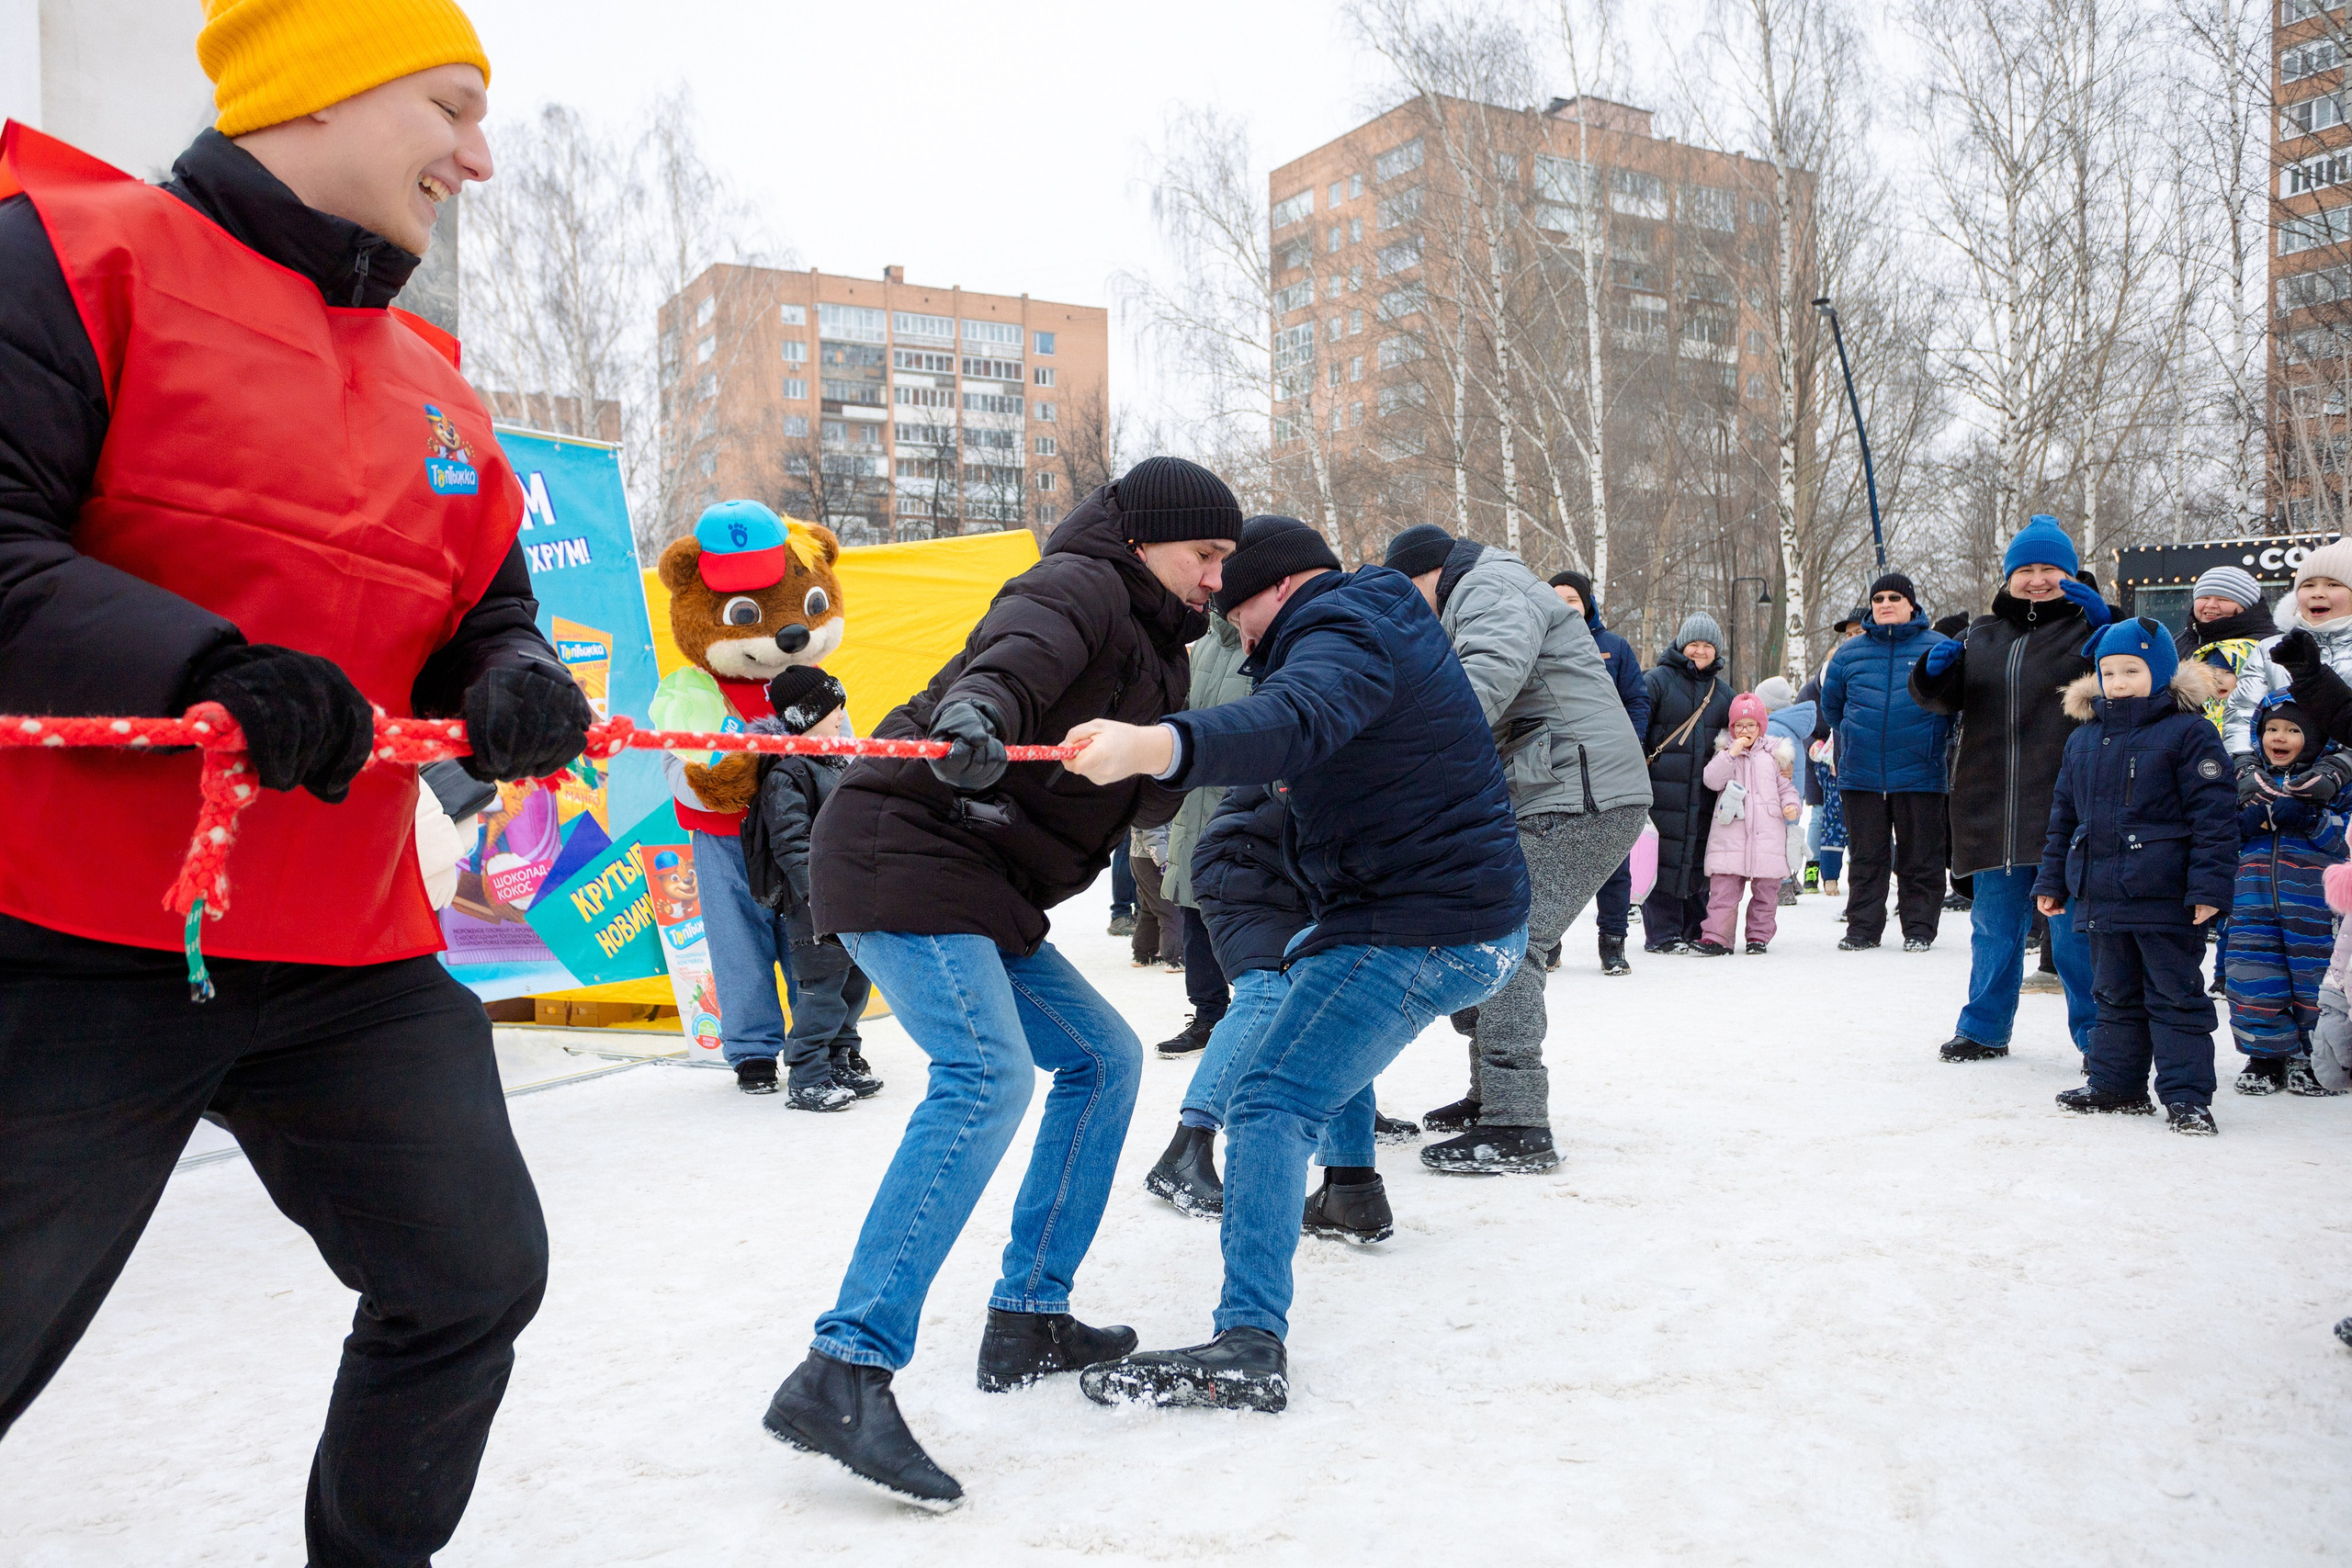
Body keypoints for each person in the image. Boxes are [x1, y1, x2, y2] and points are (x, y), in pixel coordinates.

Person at [0, 7, 594, 1560]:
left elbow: (482, 608)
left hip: (347, 954)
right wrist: (206, 666)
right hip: (61, 938)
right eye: (449, 106)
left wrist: (506, 677)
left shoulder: (438, 384)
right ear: (314, 92)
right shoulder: (68, 254)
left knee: (471, 1275)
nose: (478, 155)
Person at [762, 457, 1241, 1508]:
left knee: (1105, 1061)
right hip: (909, 841)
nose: (1215, 576)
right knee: (985, 1076)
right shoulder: (1080, 584)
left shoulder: (1162, 645)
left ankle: (1028, 1316)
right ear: (1151, 538)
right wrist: (977, 714)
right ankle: (843, 1366)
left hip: (990, 879)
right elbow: (1011, 660)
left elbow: (1129, 784)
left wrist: (1154, 769)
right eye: (1205, 554)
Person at [1058, 513, 1529, 1414]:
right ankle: (1349, 1189)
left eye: (1236, 612)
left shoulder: (1338, 631)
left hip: (1427, 923)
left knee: (1270, 1101)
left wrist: (1158, 744)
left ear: (1276, 587)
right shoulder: (1380, 616)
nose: (1234, 633)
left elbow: (1296, 717)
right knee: (1316, 977)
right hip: (1418, 916)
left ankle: (1248, 1342)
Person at [1384, 525, 1650, 1171]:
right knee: (1486, 932)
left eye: (1407, 597)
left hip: (1582, 793)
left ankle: (1518, 1120)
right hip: (1561, 787)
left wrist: (1404, 757)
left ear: (1426, 574)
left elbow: (1483, 681)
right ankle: (1490, 1097)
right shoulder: (1488, 585)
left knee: (1510, 939)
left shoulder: (1488, 587)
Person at [1912, 515, 2107, 1064]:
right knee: (1994, 930)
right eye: (2026, 569)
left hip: (2068, 810)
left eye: (2051, 569)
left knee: (2074, 937)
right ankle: (1982, 1028)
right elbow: (1939, 701)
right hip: (1992, 805)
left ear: (2071, 574)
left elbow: (2134, 681)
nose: (2038, 579)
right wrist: (1932, 670)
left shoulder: (2092, 629)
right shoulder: (1983, 633)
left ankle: (2100, 1038)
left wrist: (2108, 623)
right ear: (2007, 577)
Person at [2033, 619, 2235, 1135]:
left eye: (2132, 670)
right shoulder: (2083, 739)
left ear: (2161, 672)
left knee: (2174, 995)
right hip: (2102, 894)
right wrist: (2052, 881)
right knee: (2114, 993)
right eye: (2108, 672)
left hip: (2165, 894)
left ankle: (2188, 1097)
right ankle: (2116, 1084)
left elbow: (2214, 818)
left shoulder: (2190, 732)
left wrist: (2209, 888)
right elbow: (2063, 817)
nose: (2118, 682)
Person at [738, 666, 876, 1108]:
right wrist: (817, 892)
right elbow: (791, 842)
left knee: (854, 984)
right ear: (808, 713)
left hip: (850, 897)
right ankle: (808, 1075)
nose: (842, 713)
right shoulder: (789, 773)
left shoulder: (836, 761)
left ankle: (840, 1060)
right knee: (820, 993)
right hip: (813, 904)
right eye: (834, 705)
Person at [2223, 694, 2350, 1097]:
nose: (2278, 738)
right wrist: (2240, 824)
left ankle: (2315, 1056)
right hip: (2250, 900)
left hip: (2315, 906)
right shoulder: (2247, 782)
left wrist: (2314, 820)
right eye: (2271, 730)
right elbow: (2213, 834)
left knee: (2314, 980)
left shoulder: (2335, 785)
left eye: (2293, 730)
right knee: (2252, 977)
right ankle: (2265, 1056)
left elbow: (2347, 839)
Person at [1820, 573, 1952, 952]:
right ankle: (1862, 929)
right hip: (1862, 774)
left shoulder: (1938, 648)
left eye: (1895, 597)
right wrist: (1853, 732)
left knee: (1921, 858)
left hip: (1921, 773)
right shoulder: (1849, 653)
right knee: (1866, 858)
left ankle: (1919, 929)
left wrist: (1933, 740)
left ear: (1912, 604)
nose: (1886, 604)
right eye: (1878, 598)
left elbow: (1954, 706)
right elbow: (1832, 707)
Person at [1156, 604, 1253, 1056]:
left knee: (1251, 918)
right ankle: (1208, 1015)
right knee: (1194, 913)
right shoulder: (1204, 644)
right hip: (1191, 804)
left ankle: (1262, 1017)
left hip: (1241, 807)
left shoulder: (1268, 640)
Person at [1553, 570, 1650, 974]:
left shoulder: (1614, 648)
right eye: (1555, 597)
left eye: (1572, 598)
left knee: (1614, 861)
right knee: (1549, 864)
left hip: (1609, 770)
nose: (1564, 605)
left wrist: (1629, 748)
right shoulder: (1532, 641)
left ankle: (1613, 944)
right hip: (1554, 770)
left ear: (1587, 603)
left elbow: (1637, 701)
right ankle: (1546, 944)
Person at [1641, 614, 1735, 952]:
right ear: (1681, 645)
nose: (1699, 650)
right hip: (1661, 790)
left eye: (1707, 645)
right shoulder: (1656, 681)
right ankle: (1662, 933)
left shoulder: (1723, 694)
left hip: (1705, 793)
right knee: (1663, 858)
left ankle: (1695, 928)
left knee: (1699, 857)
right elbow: (1636, 730)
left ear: (1716, 650)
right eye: (1694, 643)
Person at [1696, 694, 1804, 954]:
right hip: (1730, 833)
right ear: (1732, 729)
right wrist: (1730, 753)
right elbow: (1711, 781)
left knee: (1767, 892)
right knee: (1723, 891)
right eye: (1740, 726)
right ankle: (1717, 937)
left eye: (1751, 725)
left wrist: (1792, 806)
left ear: (1761, 727)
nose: (1745, 731)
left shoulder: (1773, 756)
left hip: (1767, 834)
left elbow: (1786, 788)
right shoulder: (1725, 753)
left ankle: (1758, 936)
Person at [1757, 676, 1810, 906]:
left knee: (1776, 841)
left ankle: (1784, 884)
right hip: (1793, 792)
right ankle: (1792, 880)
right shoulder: (1790, 725)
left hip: (1778, 794)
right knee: (1787, 835)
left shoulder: (1773, 728)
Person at [2174, 564, 2277, 657]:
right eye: (2204, 598)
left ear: (2246, 606)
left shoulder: (2270, 645)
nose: (2211, 605)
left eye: (2223, 599)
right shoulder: (2177, 641)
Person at [1128, 823, 1184, 967]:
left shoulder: (1149, 801)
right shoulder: (1156, 803)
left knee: (1150, 907)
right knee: (1170, 908)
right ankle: (1175, 958)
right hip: (1153, 859)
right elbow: (1152, 833)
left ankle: (1144, 953)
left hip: (1141, 856)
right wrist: (1164, 861)